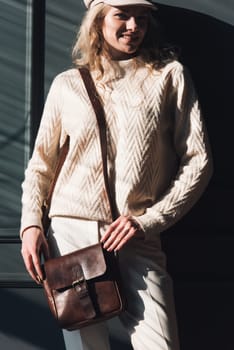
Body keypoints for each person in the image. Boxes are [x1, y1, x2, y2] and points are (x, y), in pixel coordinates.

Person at [20, 0, 213, 349]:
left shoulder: (169, 76)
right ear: (98, 21)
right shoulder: (69, 85)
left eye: (141, 17)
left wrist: (148, 220)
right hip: (70, 235)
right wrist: (31, 224)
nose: (133, 26)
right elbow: (41, 165)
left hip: (135, 235)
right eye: (122, 15)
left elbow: (198, 161)